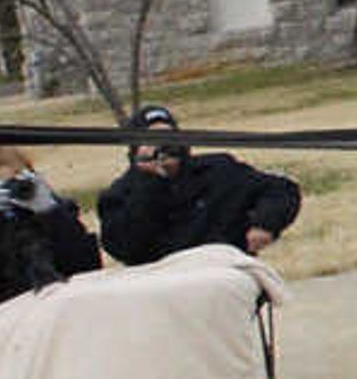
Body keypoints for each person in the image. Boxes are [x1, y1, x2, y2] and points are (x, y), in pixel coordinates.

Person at [96, 105, 301, 263]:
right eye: (151, 139)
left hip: (221, 268)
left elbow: (281, 189)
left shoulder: (219, 170)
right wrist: (150, 183)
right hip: (162, 281)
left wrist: (265, 224)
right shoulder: (119, 195)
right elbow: (125, 248)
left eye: (169, 138)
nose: (162, 146)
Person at [0, 145, 102, 309]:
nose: (9, 192)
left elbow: (85, 265)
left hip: (62, 307)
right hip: (4, 315)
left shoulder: (60, 212)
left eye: (13, 182)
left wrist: (50, 213)